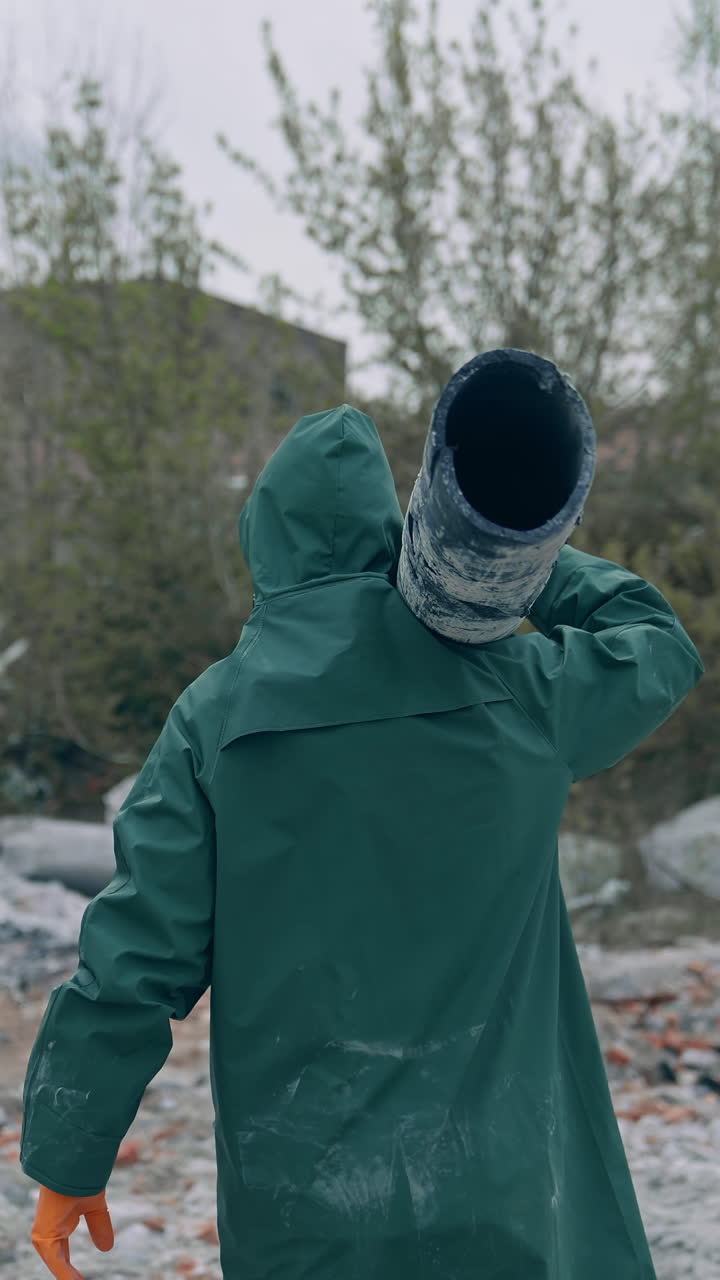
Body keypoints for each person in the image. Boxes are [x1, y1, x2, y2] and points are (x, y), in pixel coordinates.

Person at [21, 395, 703, 1280]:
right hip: (507, 1190)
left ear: (264, 536)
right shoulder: (524, 692)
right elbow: (657, 645)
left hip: (302, 1206)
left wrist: (69, 1156)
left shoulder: (215, 718)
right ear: (397, 531)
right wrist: (519, 560)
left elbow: (135, 958)